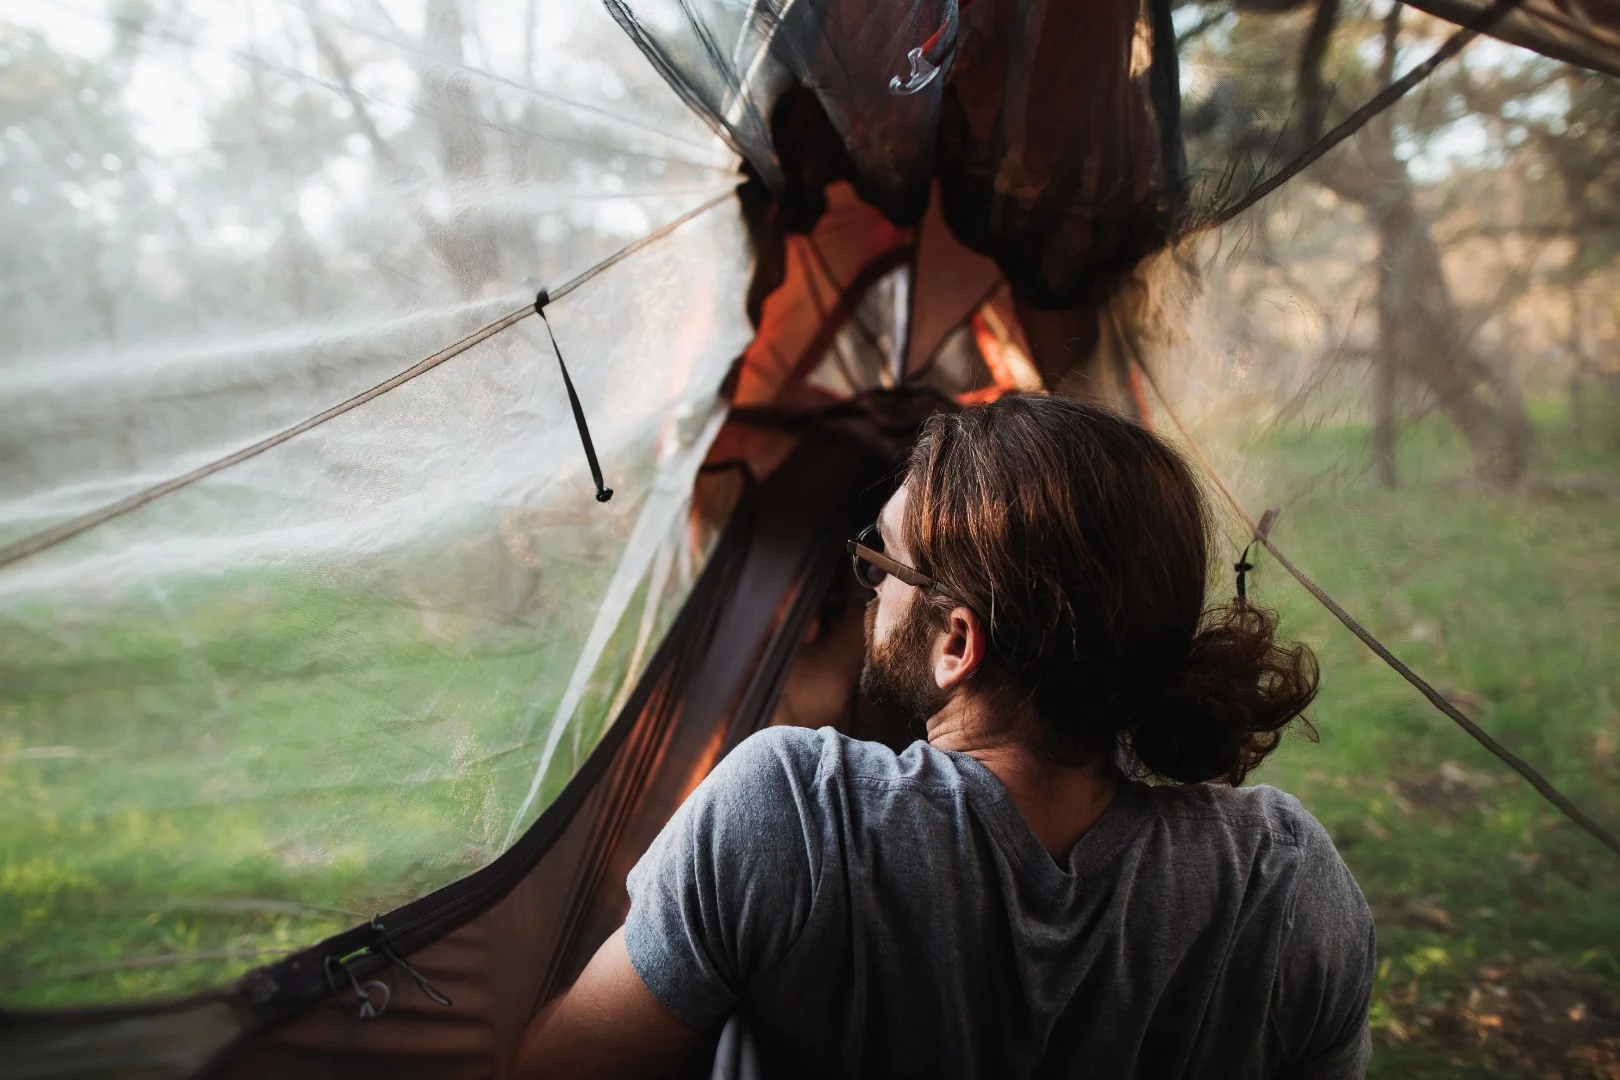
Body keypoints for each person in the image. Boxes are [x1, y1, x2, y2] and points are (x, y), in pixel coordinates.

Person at [518, 394, 1376, 1079]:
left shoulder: (796, 814)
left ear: (957, 643)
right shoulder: (1283, 882)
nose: (869, 592)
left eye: (881, 564)